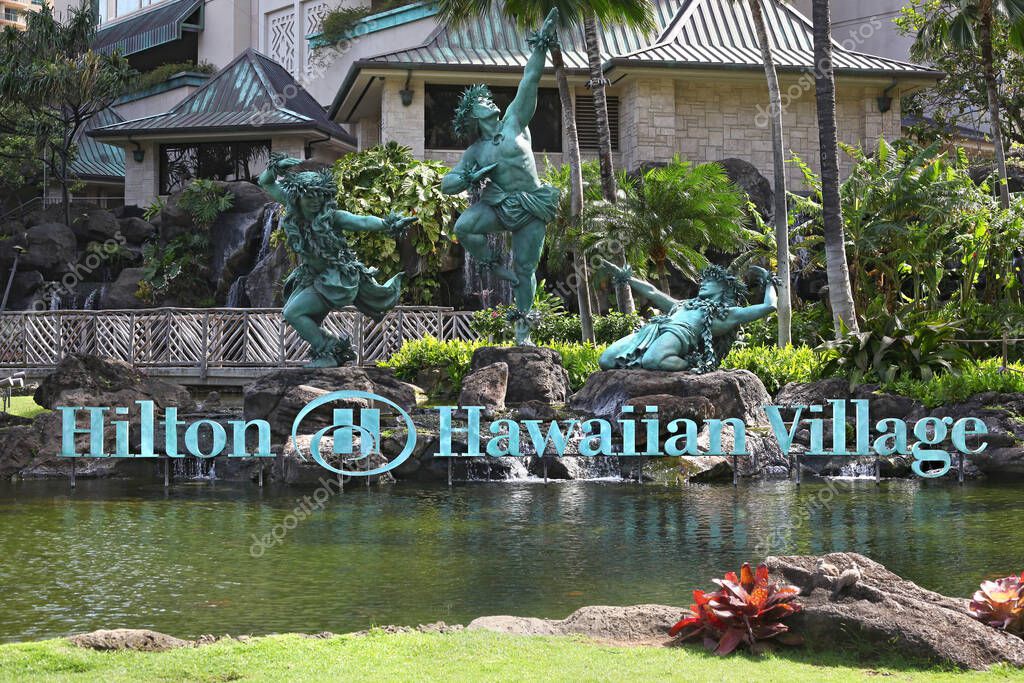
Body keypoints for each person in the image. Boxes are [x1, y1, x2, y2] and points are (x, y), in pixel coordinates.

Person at [440, 8, 561, 345]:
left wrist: (541, 45)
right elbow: (446, 185)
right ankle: (493, 263)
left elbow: (530, 80)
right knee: (463, 226)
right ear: (474, 114)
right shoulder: (476, 151)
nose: (488, 100)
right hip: (499, 203)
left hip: (532, 204)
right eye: (481, 100)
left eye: (487, 97)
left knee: (525, 270)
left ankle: (523, 328)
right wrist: (471, 177)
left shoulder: (514, 123)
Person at [258, 154, 417, 367]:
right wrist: (276, 167)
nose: (315, 202)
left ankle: (329, 350)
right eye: (310, 197)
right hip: (312, 276)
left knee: (293, 313)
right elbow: (265, 182)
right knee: (305, 318)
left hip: (335, 279)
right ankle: (334, 351)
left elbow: (361, 221)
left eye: (319, 196)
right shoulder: (293, 209)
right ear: (297, 198)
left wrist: (387, 224)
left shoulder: (332, 217)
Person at [598, 261, 779, 372]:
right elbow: (652, 292)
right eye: (703, 281)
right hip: (651, 330)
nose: (703, 284)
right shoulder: (682, 304)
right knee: (606, 360)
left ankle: (691, 363)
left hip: (679, 334)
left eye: (710, 281)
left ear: (724, 287)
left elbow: (769, 306)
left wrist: (770, 281)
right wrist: (626, 278)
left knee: (652, 360)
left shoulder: (725, 314)